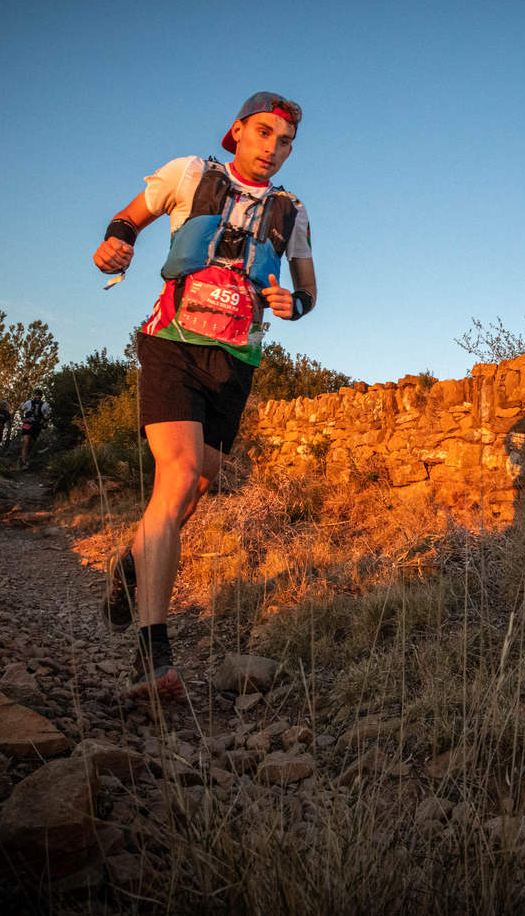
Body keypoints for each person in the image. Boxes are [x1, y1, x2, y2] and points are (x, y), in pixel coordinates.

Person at [92, 91, 317, 699]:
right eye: (264, 133)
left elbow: (307, 292)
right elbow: (127, 219)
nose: (274, 148)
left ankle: (132, 564)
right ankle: (152, 657)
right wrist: (115, 246)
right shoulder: (189, 174)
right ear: (237, 131)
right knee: (180, 471)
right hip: (172, 343)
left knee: (199, 482)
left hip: (237, 360)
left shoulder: (292, 211)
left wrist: (292, 304)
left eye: (286, 141)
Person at [19, 390, 48, 469]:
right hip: (27, 424)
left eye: (39, 395)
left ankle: (25, 457)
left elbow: (48, 414)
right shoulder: (28, 402)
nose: (37, 396)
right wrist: (22, 418)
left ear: (41, 396)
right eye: (36, 395)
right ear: (34, 395)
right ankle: (23, 462)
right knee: (26, 441)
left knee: (31, 443)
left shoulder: (45, 405)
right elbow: (21, 409)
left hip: (37, 426)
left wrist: (44, 420)